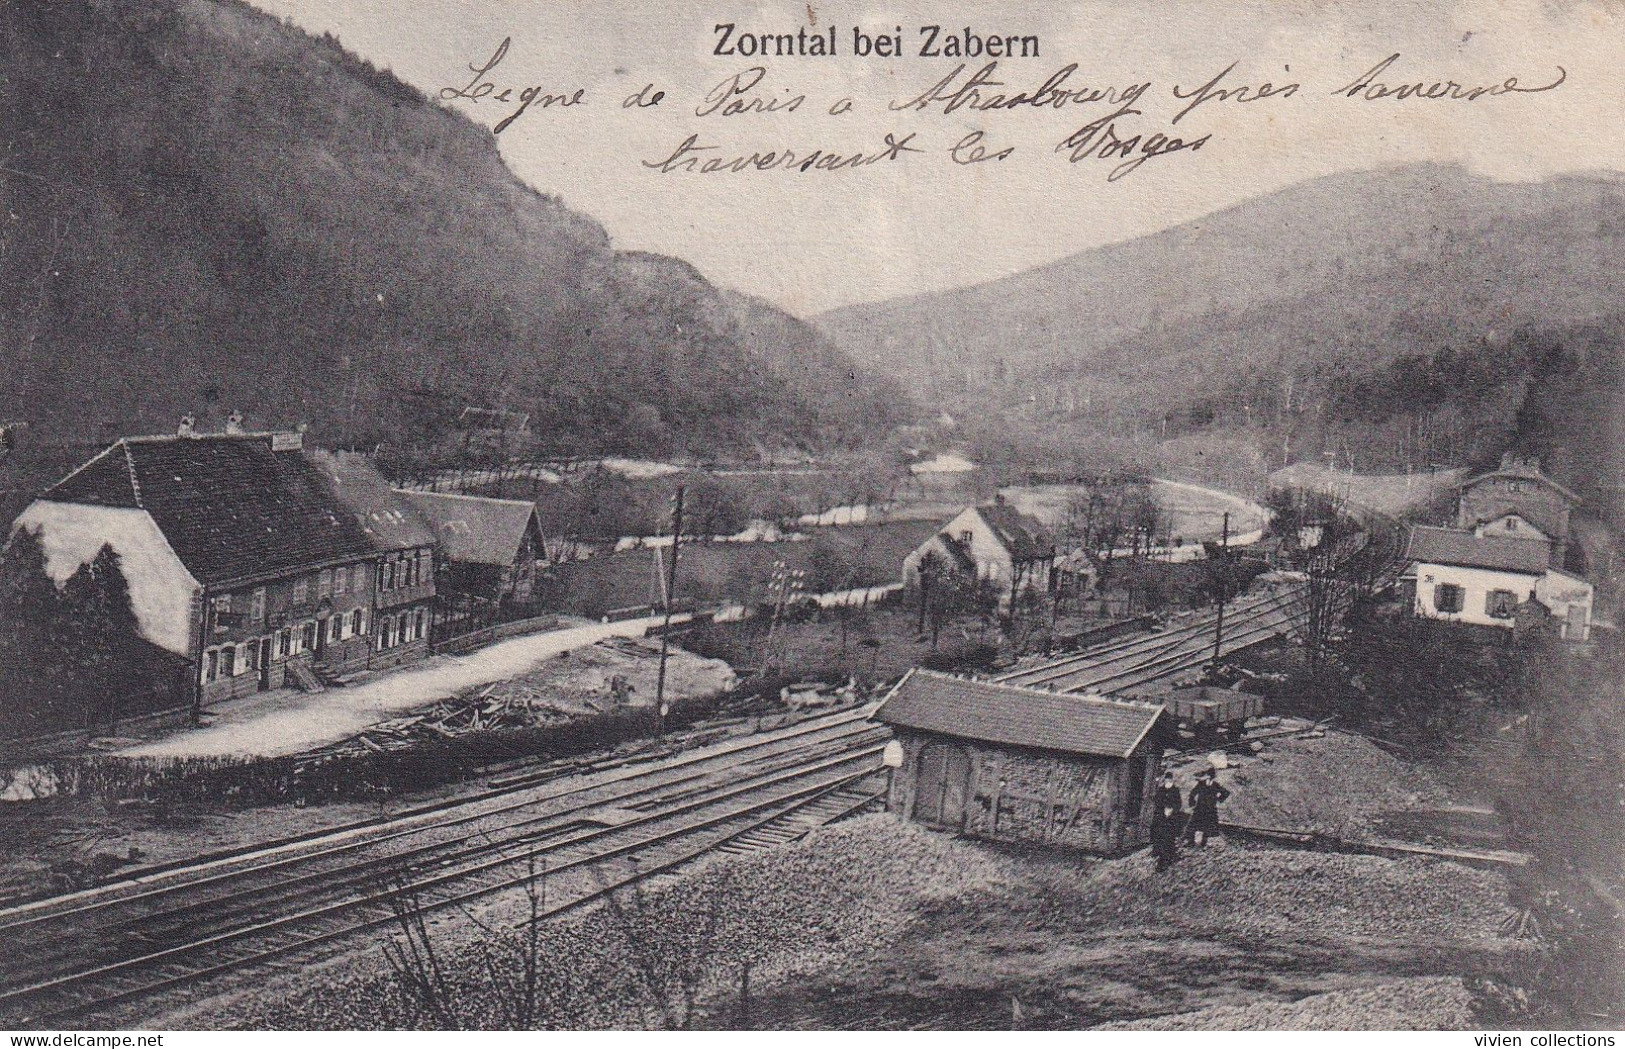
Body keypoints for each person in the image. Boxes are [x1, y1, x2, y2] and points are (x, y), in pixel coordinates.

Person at [1185, 768, 1232, 846]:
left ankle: (1203, 842)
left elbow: (1226, 793)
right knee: (1194, 825)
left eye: (1211, 776)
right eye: (1209, 776)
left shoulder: (1215, 785)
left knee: (1207, 826)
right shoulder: (1201, 784)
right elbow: (1193, 793)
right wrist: (1192, 802)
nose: (1209, 778)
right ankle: (1190, 841)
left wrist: (1219, 799)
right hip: (1200, 808)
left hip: (1210, 809)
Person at [1150, 772, 1184, 871]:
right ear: (1164, 780)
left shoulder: (1175, 791)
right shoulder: (1161, 790)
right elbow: (1157, 801)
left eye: (1170, 780)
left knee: (1168, 838)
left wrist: (1172, 809)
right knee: (1157, 833)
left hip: (1171, 819)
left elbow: (1178, 804)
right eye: (1166, 780)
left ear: (1172, 781)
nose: (1168, 782)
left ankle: (1165, 859)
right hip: (1160, 817)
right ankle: (1157, 850)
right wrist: (1163, 808)